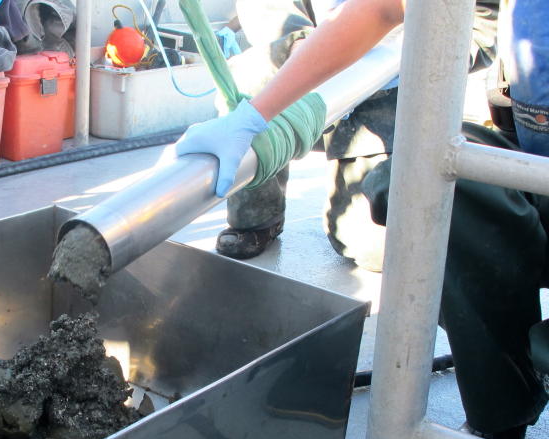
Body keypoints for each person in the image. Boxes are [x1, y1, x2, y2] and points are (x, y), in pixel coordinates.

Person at [176, 0, 548, 439]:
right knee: (422, 180)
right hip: (529, 160)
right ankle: (500, 413)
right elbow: (382, 7)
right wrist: (253, 116)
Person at [208, 0, 497, 271]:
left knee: (376, 246)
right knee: (248, 76)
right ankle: (258, 216)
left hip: (392, 85)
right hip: (303, 55)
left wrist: (388, 61)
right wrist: (299, 44)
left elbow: (481, 21)